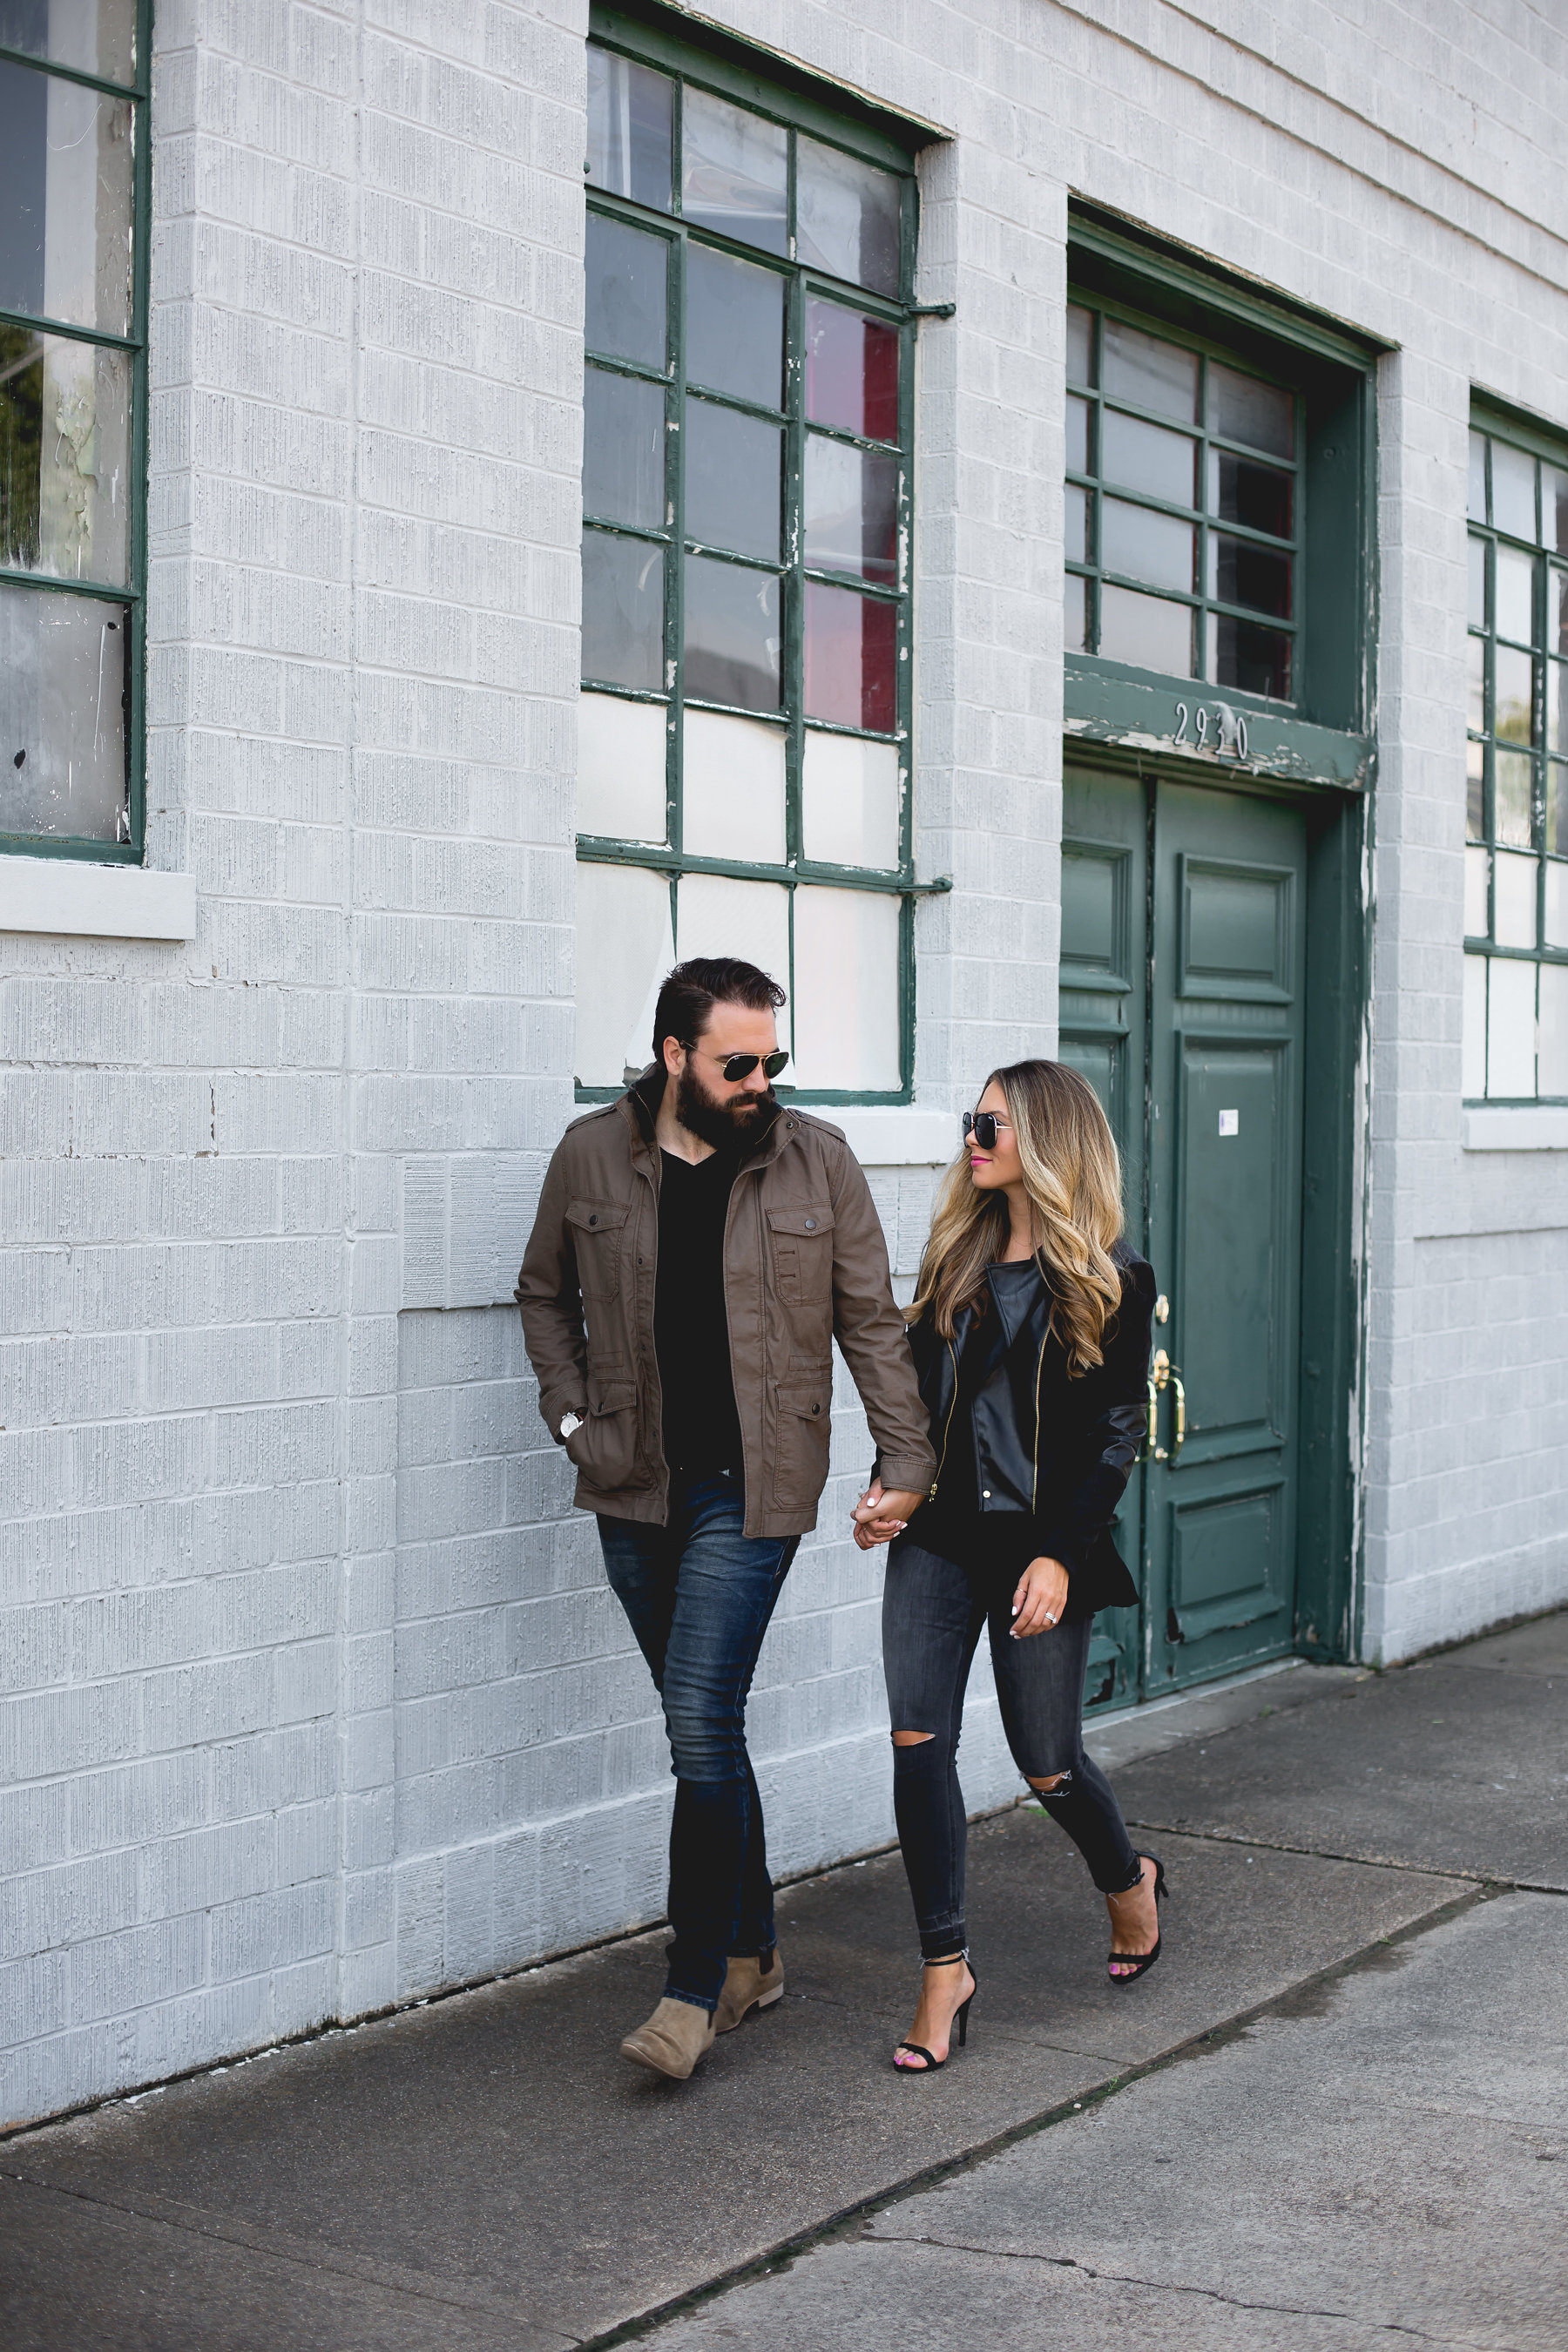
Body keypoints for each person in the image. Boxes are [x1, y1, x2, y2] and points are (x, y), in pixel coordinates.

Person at [517, 956, 935, 2081]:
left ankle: (691, 1990)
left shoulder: (817, 1160)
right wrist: (569, 1418)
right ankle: (754, 1949)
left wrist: (908, 1457)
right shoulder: (593, 1152)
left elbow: (872, 1322)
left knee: (700, 1719)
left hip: (753, 1489)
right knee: (702, 1727)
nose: (760, 1081)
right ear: (672, 1056)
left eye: (772, 1061)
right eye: (735, 1062)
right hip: (631, 1478)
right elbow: (543, 1292)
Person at [853, 1058, 1165, 2074]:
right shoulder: (954, 1262)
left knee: (1048, 1764)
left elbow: (1113, 1438)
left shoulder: (1113, 1279)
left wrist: (1061, 1557)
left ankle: (1128, 1881)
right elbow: (914, 1400)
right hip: (942, 1542)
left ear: (1046, 1138)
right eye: (971, 1123)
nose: (972, 1139)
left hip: (1040, 1546)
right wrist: (889, 1485)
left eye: (991, 1124)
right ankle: (945, 1968)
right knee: (916, 1742)